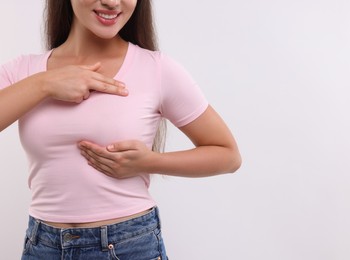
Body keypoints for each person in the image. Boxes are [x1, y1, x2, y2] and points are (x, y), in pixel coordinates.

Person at [0, 0, 241, 259]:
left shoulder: (157, 69)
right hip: (41, 246)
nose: (112, 2)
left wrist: (149, 162)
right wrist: (45, 83)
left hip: (127, 245)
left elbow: (228, 155)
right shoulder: (23, 70)